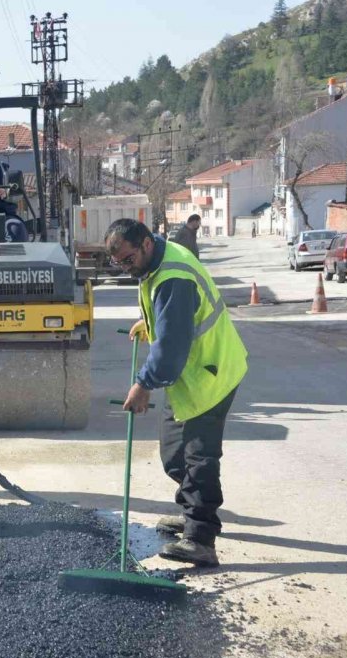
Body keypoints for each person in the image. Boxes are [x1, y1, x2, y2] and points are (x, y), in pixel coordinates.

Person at [104, 218, 248, 567]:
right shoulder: (160, 260)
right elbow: (172, 321)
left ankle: (201, 538)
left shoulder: (173, 278)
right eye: (118, 263)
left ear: (146, 244)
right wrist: (150, 321)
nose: (125, 268)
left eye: (128, 260)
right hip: (189, 376)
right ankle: (190, 511)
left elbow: (169, 351)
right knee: (174, 453)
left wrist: (142, 385)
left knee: (199, 456)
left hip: (210, 374)